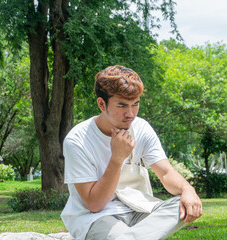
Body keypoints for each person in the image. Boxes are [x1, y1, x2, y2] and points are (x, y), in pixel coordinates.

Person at [61, 65, 202, 240]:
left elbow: (166, 173)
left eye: (135, 104)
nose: (130, 114)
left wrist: (188, 189)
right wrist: (117, 158)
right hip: (96, 217)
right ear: (101, 104)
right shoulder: (77, 140)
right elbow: (94, 204)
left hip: (139, 209)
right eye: (122, 105)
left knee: (180, 205)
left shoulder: (141, 128)